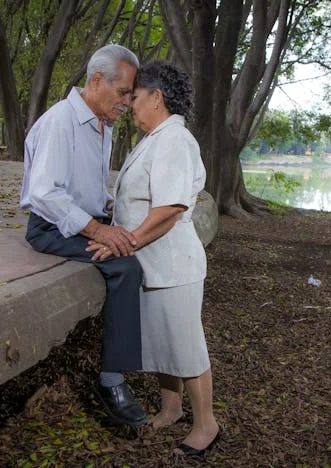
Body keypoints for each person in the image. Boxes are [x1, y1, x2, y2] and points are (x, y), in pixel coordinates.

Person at [87, 60, 220, 457]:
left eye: (137, 96)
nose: (130, 103)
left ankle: (206, 425)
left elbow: (169, 208)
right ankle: (172, 407)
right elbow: (144, 196)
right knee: (164, 341)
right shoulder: (157, 137)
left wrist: (121, 242)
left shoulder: (174, 141)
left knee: (186, 346)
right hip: (154, 264)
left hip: (174, 265)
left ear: (157, 98)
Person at [20, 44, 148, 427]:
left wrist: (106, 207)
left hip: (82, 219)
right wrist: (98, 231)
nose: (128, 101)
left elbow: (86, 186)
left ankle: (129, 362)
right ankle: (111, 381)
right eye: (124, 92)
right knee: (126, 266)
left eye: (131, 94)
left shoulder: (100, 124)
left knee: (132, 247)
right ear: (96, 81)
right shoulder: (61, 121)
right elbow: (44, 193)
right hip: (50, 228)